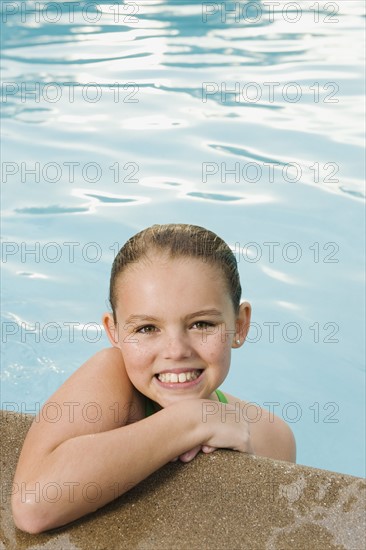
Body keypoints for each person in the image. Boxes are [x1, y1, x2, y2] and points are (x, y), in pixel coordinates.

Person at [12, 224, 296, 534]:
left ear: (239, 325)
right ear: (115, 332)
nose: (176, 351)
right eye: (147, 329)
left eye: (202, 324)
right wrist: (191, 420)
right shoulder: (112, 379)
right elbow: (32, 506)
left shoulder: (273, 437)